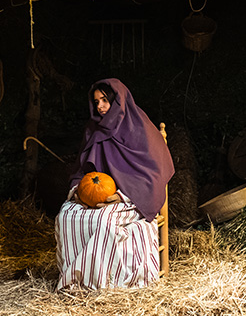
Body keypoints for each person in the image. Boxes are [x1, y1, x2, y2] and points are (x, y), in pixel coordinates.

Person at [54, 78, 174, 290]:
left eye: (104, 100)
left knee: (104, 222)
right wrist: (77, 191)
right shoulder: (94, 130)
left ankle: (104, 282)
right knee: (65, 215)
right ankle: (79, 280)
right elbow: (82, 169)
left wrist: (121, 196)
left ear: (118, 101)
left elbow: (154, 172)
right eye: (96, 101)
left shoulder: (141, 129)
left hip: (130, 197)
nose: (99, 106)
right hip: (98, 194)